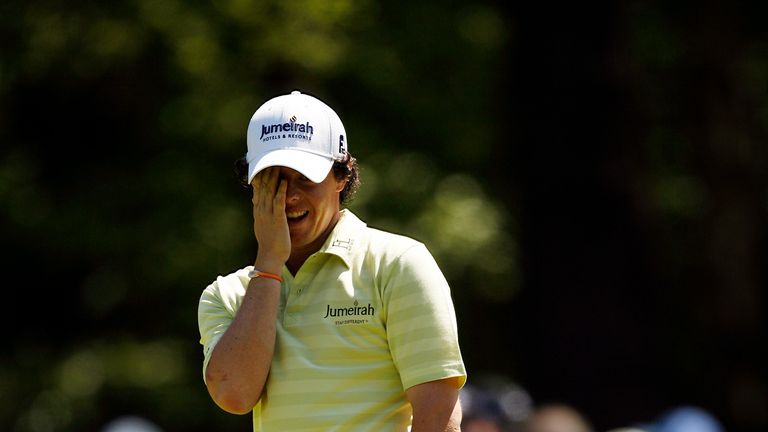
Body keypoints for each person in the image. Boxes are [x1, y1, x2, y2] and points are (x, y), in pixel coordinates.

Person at [197, 90, 467, 431]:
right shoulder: (228, 294)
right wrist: (268, 263)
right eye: (275, 180)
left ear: (342, 175)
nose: (290, 195)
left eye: (305, 178)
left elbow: (439, 415)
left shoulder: (398, 264)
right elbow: (234, 395)